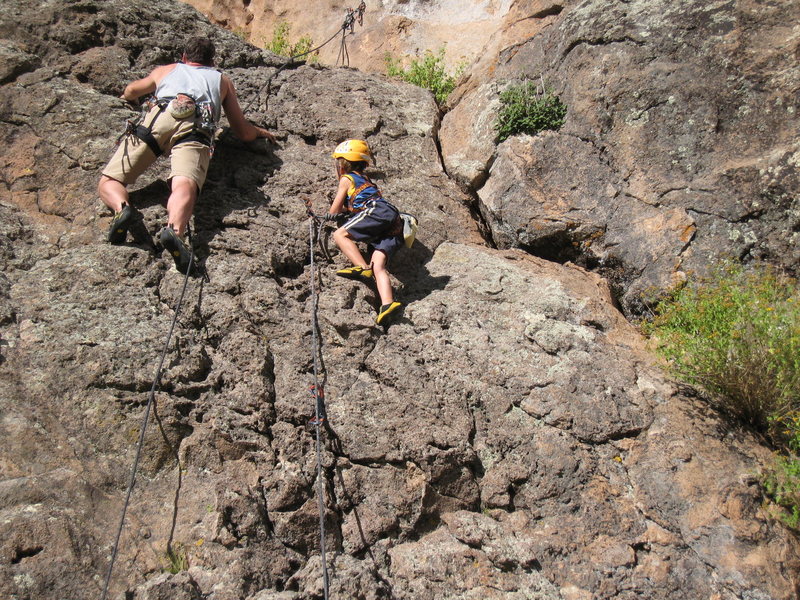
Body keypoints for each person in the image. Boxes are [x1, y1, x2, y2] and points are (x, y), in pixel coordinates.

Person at [98, 36, 275, 273]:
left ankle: (122, 209)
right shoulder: (222, 80)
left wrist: (126, 99)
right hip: (196, 127)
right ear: (212, 61)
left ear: (184, 57)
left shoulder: (168, 69)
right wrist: (260, 131)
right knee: (184, 185)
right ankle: (174, 231)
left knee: (110, 181)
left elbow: (132, 90)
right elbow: (242, 131)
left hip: (159, 117)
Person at [329, 139, 404, 325]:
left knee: (340, 234)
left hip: (377, 211)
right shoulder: (366, 180)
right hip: (393, 220)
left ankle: (362, 269)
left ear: (342, 164)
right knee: (378, 265)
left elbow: (334, 211)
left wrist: (329, 216)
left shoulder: (347, 179)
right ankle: (387, 303)